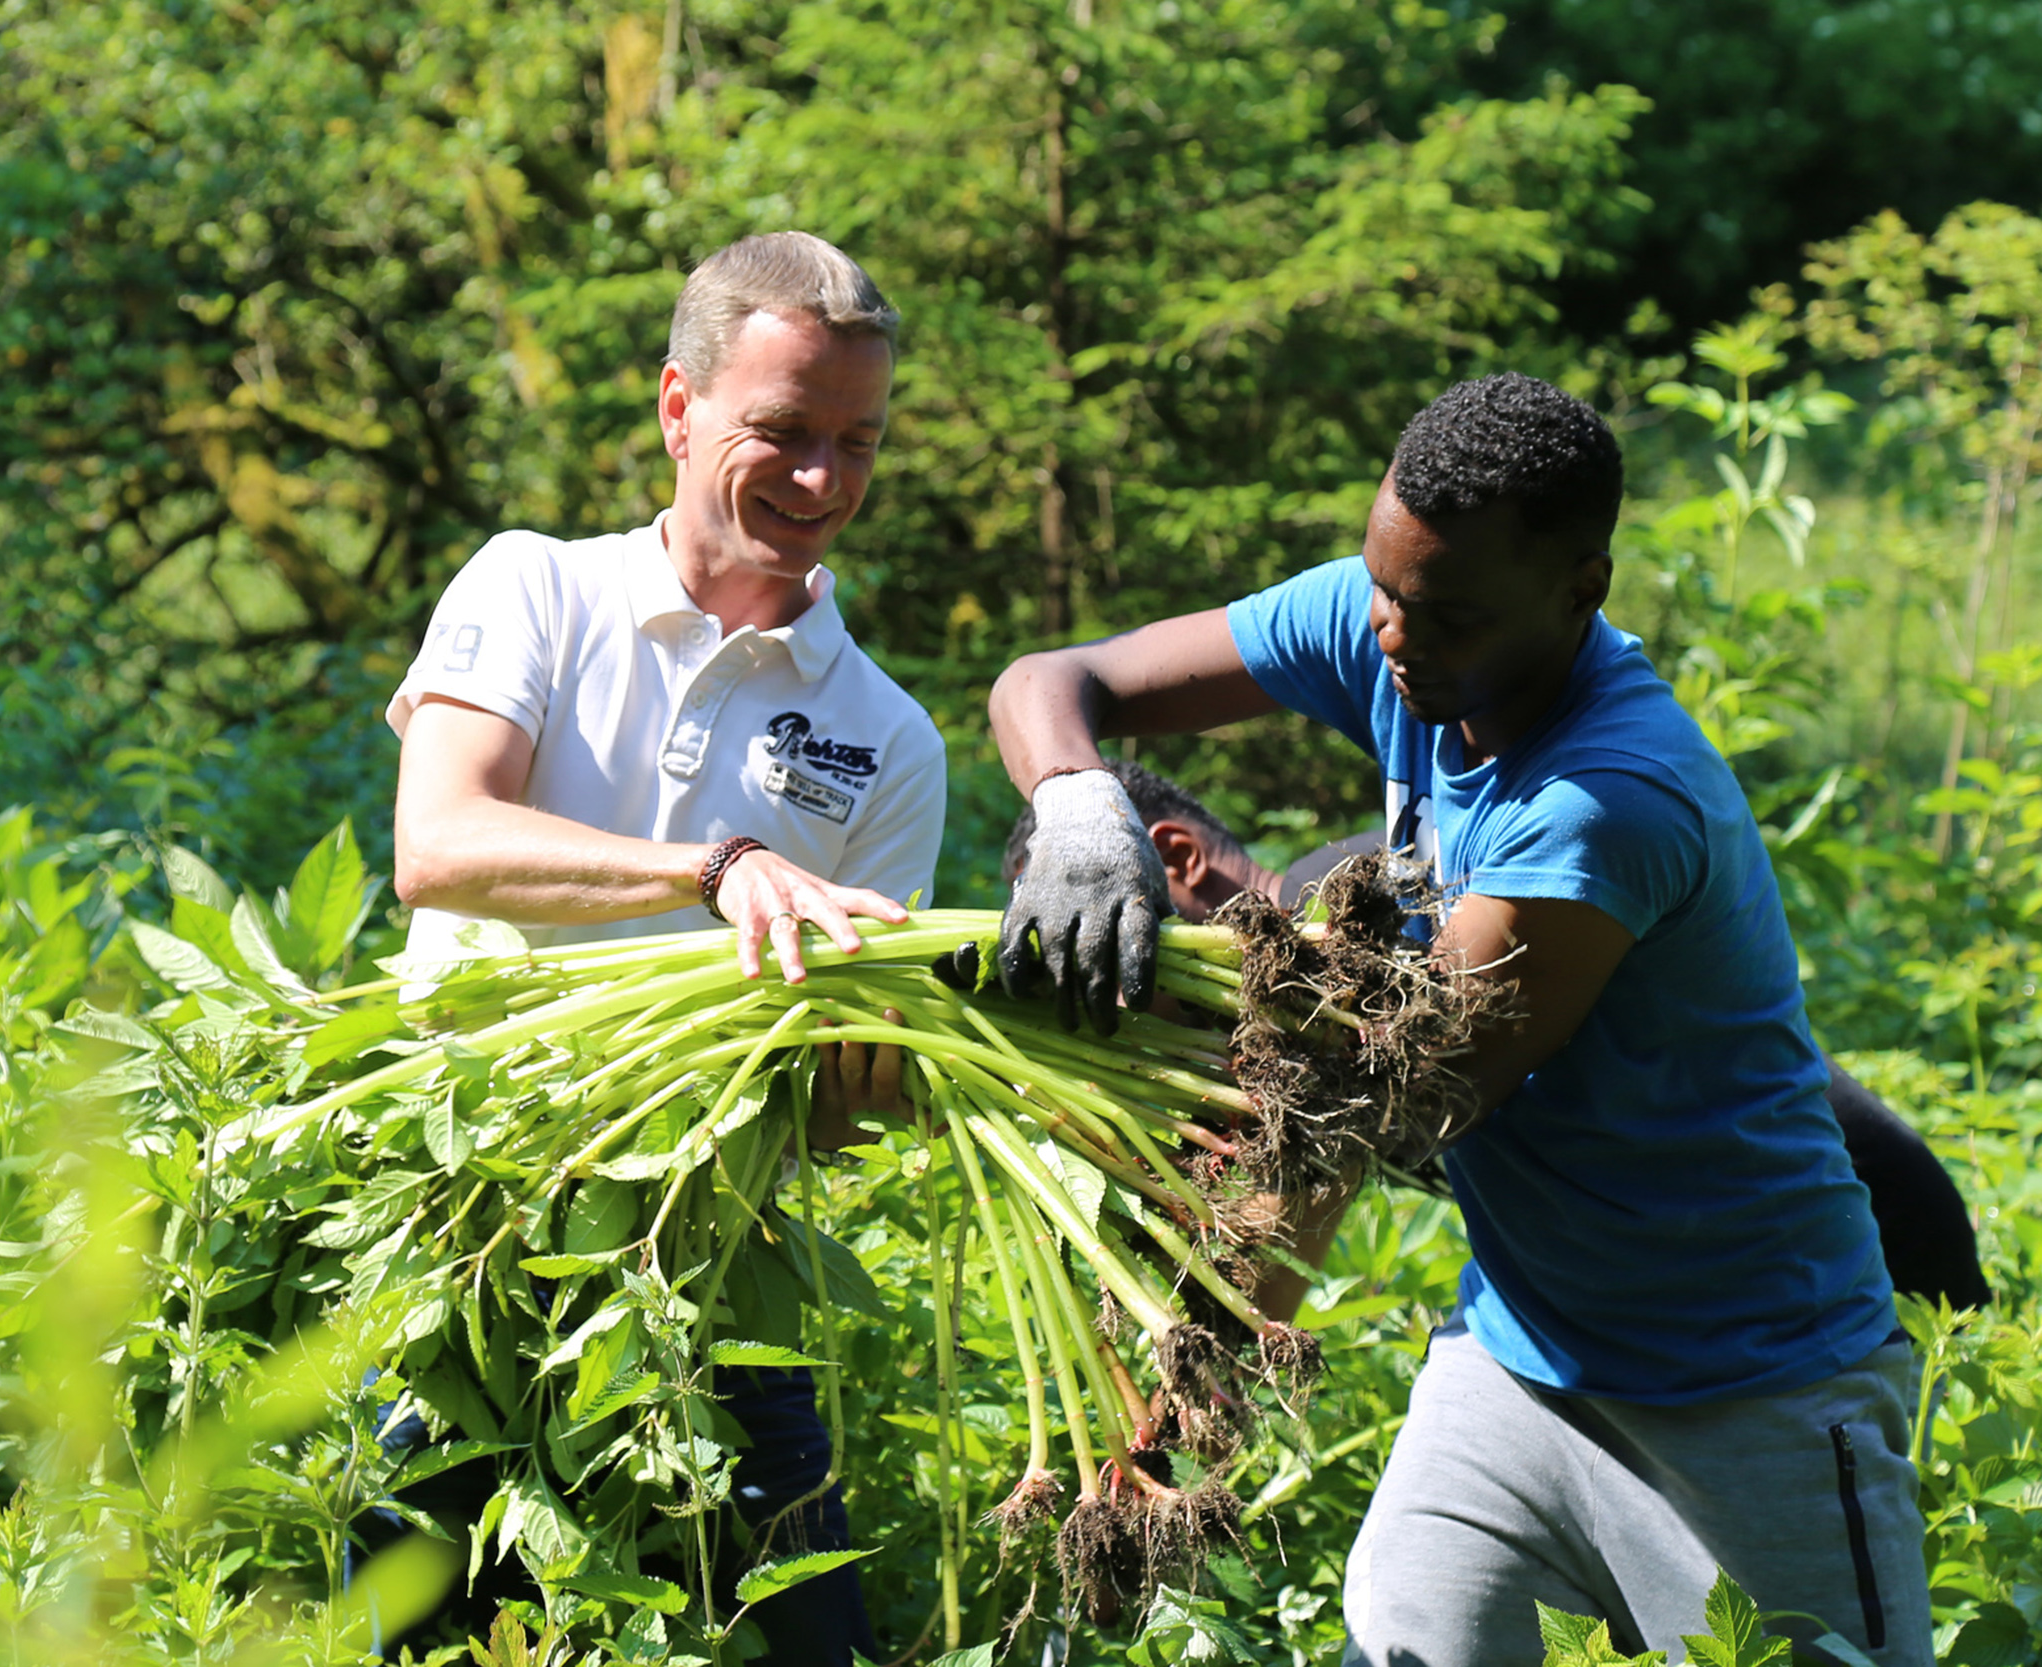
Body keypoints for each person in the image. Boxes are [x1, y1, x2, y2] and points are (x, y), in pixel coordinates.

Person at [984, 374, 1931, 1665]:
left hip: (1753, 1383)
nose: (1389, 633)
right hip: (1524, 1352)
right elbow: (1059, 675)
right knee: (1409, 1633)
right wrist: (1078, 798)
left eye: (1443, 611)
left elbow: (1369, 1104)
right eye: (1381, 585)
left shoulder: (1605, 800)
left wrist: (1161, 1424)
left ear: (1580, 589)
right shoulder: (1401, 609)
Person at [374, 229, 948, 1663]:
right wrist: (715, 866)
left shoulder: (887, 737)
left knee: (806, 1635)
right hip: (474, 1222)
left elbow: (823, 1107)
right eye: (786, 432)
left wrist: (879, 1072)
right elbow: (438, 843)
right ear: (680, 408)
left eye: (857, 443)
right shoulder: (535, 591)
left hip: (706, 1259)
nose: (823, 482)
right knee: (425, 1621)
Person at [1000, 760, 1991, 1317]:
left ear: (1170, 860)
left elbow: (1288, 1221)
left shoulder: (1335, 914)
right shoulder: (1288, 984)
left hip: (1851, 1253)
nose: (1115, 1000)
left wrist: (1183, 1362)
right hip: (1700, 1284)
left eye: (1113, 942)